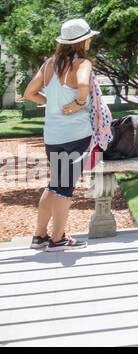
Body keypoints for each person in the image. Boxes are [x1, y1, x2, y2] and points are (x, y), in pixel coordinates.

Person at [23, 18, 104, 250]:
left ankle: (39, 236)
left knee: (55, 184)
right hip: (76, 135)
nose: (90, 40)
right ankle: (58, 239)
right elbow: (82, 84)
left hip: (52, 136)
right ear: (82, 41)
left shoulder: (49, 65)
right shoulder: (83, 64)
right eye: (88, 37)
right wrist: (80, 103)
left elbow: (29, 92)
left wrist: (50, 102)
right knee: (65, 188)